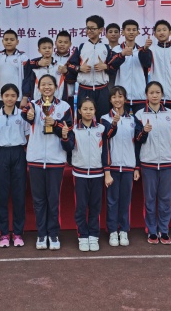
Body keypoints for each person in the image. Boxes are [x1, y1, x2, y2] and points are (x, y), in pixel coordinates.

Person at [22, 74, 73, 250]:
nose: (46, 87)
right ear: (38, 88)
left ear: (55, 87)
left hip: (55, 160)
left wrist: (56, 124)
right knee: (38, 201)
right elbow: (25, 115)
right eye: (43, 84)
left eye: (50, 84)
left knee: (53, 200)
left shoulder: (64, 106)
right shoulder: (32, 105)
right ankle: (41, 234)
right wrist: (29, 114)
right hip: (35, 159)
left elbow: (68, 129)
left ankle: (53, 234)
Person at [0, 83, 30, 248]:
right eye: (6, 95)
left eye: (13, 96)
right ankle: (3, 233)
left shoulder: (22, 115)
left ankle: (17, 233)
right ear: (1, 97)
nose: (10, 98)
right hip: (1, 153)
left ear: (17, 98)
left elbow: (28, 137)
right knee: (1, 196)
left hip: (18, 153)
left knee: (19, 195)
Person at [135, 81, 171, 244]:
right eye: (151, 93)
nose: (154, 95)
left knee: (165, 199)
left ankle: (164, 230)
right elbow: (137, 141)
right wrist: (143, 132)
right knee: (150, 200)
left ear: (162, 94)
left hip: (168, 163)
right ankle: (152, 231)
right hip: (148, 163)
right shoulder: (140, 115)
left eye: (157, 92)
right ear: (146, 95)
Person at [101, 86, 143, 247]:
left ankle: (124, 230)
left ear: (125, 99)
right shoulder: (105, 118)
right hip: (112, 167)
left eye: (120, 96)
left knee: (125, 201)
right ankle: (112, 231)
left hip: (128, 166)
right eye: (114, 97)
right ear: (110, 100)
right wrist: (114, 123)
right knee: (112, 201)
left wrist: (136, 167)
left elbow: (138, 143)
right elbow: (106, 141)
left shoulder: (133, 119)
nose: (117, 100)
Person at [66, 97, 108, 252]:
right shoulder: (73, 129)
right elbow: (68, 147)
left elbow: (106, 149)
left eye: (91, 109)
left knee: (95, 207)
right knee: (81, 207)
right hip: (80, 174)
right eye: (85, 109)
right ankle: (83, 235)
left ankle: (93, 235)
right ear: (79, 111)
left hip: (97, 174)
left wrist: (106, 170)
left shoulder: (101, 129)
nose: (88, 112)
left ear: (95, 111)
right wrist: (64, 136)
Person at [67, 15, 113, 119]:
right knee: (83, 119)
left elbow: (113, 68)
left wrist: (105, 66)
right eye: (87, 28)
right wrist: (79, 68)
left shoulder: (106, 48)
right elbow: (69, 65)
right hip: (84, 89)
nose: (89, 31)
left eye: (93, 28)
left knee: (104, 119)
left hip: (102, 90)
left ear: (101, 29)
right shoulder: (81, 47)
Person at [108, 19, 152, 114]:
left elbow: (147, 64)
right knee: (120, 121)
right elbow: (111, 68)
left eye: (134, 30)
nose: (131, 32)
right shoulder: (116, 50)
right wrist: (122, 55)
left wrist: (145, 50)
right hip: (121, 96)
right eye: (128, 30)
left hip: (140, 96)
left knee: (141, 122)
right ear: (123, 32)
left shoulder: (143, 50)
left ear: (138, 32)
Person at [23, 37, 68, 102]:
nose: (47, 50)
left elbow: (65, 84)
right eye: (44, 48)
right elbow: (27, 80)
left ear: (53, 49)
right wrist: (25, 97)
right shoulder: (34, 65)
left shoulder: (60, 66)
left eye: (49, 48)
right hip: (37, 101)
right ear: (39, 50)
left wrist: (66, 72)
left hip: (57, 101)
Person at [54, 30, 77, 111]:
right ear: (55, 43)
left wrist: (66, 72)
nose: (62, 44)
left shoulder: (73, 60)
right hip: (51, 96)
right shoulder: (50, 58)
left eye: (66, 42)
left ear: (70, 44)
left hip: (68, 97)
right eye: (60, 42)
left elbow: (76, 78)